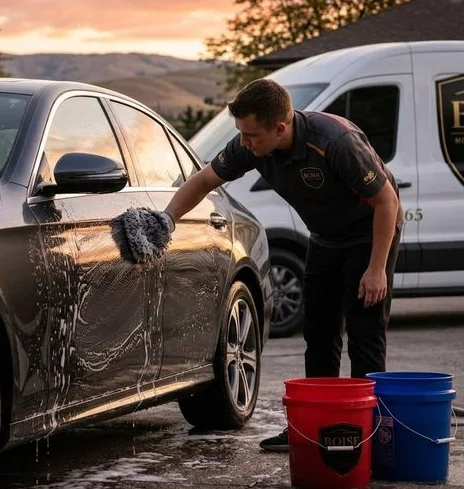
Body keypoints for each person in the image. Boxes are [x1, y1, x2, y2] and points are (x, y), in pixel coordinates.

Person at [161, 78, 403, 452]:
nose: (244, 143)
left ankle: (369, 435)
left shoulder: (334, 142)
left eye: (251, 135)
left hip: (369, 233)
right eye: (241, 133)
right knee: (319, 332)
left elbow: (388, 202)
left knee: (364, 332)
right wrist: (167, 219)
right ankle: (315, 426)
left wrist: (376, 269)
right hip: (326, 237)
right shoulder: (253, 146)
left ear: (280, 127)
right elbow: (206, 179)